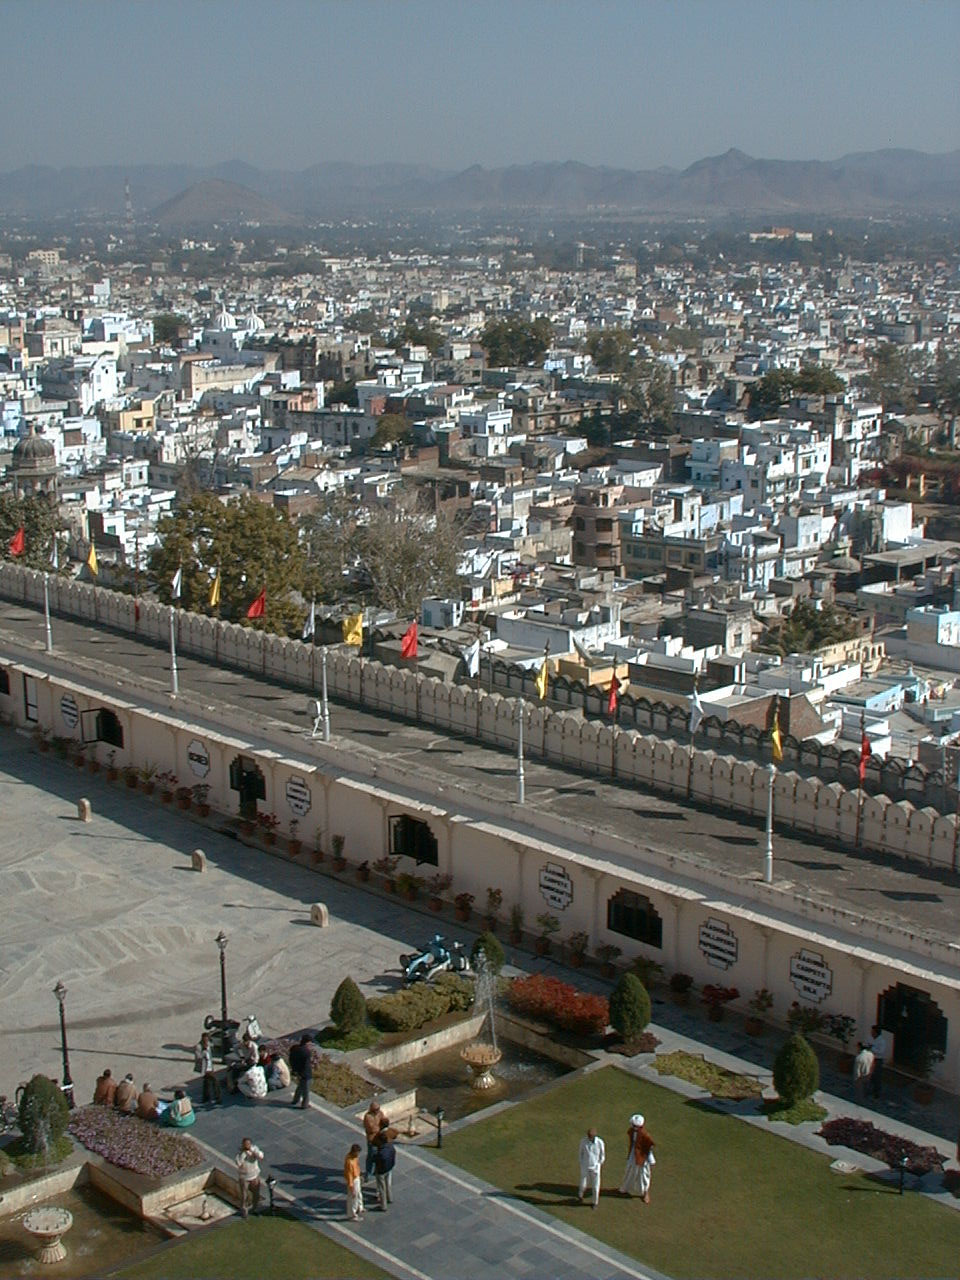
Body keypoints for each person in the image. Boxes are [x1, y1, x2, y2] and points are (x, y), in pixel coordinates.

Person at [619, 1113, 655, 1203]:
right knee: (629, 1170)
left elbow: (649, 1148)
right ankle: (625, 1188)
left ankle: (645, 1192)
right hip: (633, 1154)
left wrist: (651, 1160)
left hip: (642, 1156)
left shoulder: (645, 1135)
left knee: (644, 1175)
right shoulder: (631, 1131)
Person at [236, 1137, 264, 1218]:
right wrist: (243, 1155)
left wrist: (254, 1153)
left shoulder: (254, 1149)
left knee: (256, 1194)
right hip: (244, 1177)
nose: (247, 1145)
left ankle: (255, 1208)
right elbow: (238, 1164)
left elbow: (261, 1156)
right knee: (244, 1195)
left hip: (255, 1175)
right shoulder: (240, 1154)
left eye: (248, 1144)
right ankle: (244, 1210)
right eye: (245, 1144)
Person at [578, 1127, 606, 1208]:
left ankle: (595, 1203)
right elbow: (580, 1153)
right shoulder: (583, 1141)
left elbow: (602, 1156)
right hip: (585, 1167)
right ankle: (580, 1196)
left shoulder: (600, 1143)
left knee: (596, 1187)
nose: (589, 1137)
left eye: (591, 1136)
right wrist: (582, 1164)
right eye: (588, 1136)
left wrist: (598, 1165)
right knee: (583, 1184)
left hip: (595, 1168)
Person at [195, 1032, 221, 1105]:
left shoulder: (209, 1044)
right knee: (215, 1081)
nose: (206, 1041)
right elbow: (198, 1057)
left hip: (209, 1066)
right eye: (205, 1039)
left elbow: (210, 1056)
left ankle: (206, 1098)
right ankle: (217, 1097)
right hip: (205, 1068)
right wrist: (204, 1051)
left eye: (207, 1039)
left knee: (207, 1083)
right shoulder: (199, 1046)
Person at [289, 1034, 313, 1109]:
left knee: (300, 1086)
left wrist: (295, 1070)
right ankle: (305, 1104)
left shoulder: (295, 1048)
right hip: (305, 1073)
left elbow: (291, 1060)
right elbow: (306, 1064)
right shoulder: (306, 1052)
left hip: (298, 1072)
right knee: (306, 1089)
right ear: (307, 1042)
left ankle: (295, 1100)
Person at [374, 1130, 396, 1211]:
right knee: (388, 1184)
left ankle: (383, 1206)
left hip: (381, 1171)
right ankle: (390, 1198)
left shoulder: (380, 1153)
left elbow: (376, 1160)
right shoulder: (391, 1147)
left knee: (382, 1188)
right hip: (389, 1168)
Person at [363, 1101, 384, 1181]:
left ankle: (376, 1171)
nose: (378, 1110)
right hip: (372, 1140)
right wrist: (379, 1127)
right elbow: (371, 1129)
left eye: (378, 1109)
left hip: (379, 1139)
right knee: (371, 1156)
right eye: (376, 1109)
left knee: (379, 1156)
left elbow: (384, 1122)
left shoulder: (380, 1113)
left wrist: (379, 1127)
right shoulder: (368, 1116)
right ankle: (368, 1173)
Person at [344, 1143, 364, 1221]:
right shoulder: (349, 1161)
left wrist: (359, 1174)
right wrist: (351, 1186)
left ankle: (360, 1207)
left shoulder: (354, 1158)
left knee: (358, 1193)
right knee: (353, 1197)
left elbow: (357, 1166)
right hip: (353, 1180)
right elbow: (349, 1175)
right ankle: (352, 1215)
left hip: (356, 1177)